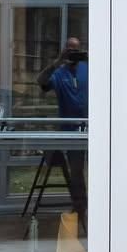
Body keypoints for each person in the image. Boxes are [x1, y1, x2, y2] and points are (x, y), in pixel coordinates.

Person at [36, 37, 88, 230]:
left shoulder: (88, 68)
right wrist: (57, 62)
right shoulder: (59, 72)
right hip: (71, 131)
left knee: (100, 171)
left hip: (93, 128)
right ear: (64, 50)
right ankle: (80, 208)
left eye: (76, 49)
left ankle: (99, 208)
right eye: (69, 48)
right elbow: (40, 81)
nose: (73, 52)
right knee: (76, 172)